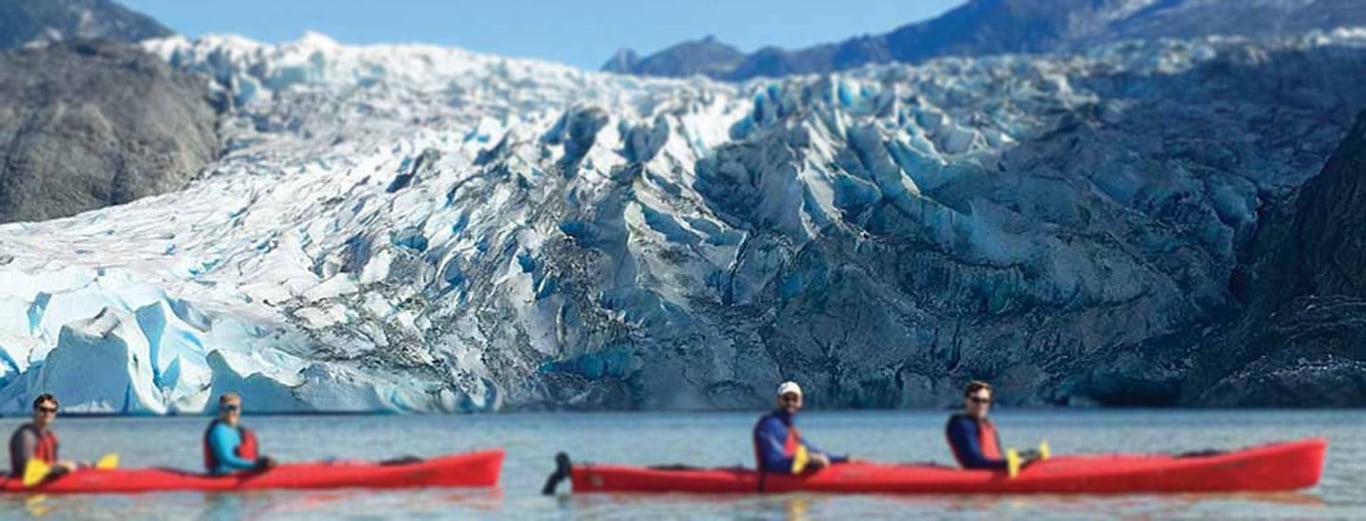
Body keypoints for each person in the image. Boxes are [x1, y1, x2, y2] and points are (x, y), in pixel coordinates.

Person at [753, 381, 848, 474]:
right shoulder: (770, 425)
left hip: (789, 472)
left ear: (800, 402)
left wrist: (844, 459)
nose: (790, 402)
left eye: (795, 399)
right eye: (786, 399)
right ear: (778, 400)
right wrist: (806, 460)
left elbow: (811, 450)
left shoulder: (789, 427)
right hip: (773, 478)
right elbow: (773, 464)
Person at [945, 380, 1039, 470]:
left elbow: (996, 457)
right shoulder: (962, 425)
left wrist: (1024, 457)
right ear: (966, 400)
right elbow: (974, 462)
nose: (980, 404)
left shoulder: (986, 424)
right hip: (980, 477)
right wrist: (1009, 463)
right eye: (975, 400)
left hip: (995, 472)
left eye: (985, 401)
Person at [9, 394, 80, 479]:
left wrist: (77, 465)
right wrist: (61, 466)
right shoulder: (26, 436)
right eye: (43, 409)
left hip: (45, 480)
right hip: (25, 485)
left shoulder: (50, 436)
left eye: (52, 410)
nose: (47, 413)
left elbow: (50, 463)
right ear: (35, 411)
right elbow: (28, 469)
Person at [203, 392, 275, 475]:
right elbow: (227, 459)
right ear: (220, 410)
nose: (229, 412)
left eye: (233, 408)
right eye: (224, 408)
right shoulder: (220, 431)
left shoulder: (238, 431)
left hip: (244, 475)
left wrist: (263, 463)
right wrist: (257, 465)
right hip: (224, 477)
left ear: (239, 409)